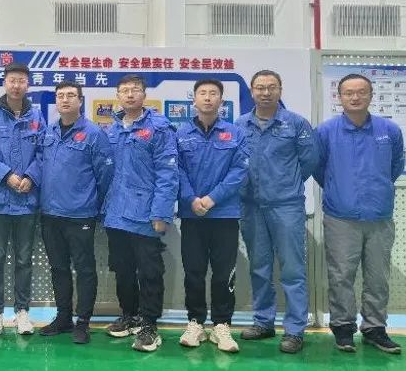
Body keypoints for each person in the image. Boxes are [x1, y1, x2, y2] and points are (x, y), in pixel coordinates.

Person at [314, 73, 404, 354]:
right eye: (349, 93)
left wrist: (378, 191)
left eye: (361, 92)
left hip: (379, 215)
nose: (355, 97)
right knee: (341, 275)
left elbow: (395, 166)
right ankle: (343, 328)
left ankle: (375, 328)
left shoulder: (389, 130)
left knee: (378, 276)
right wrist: (340, 191)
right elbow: (318, 168)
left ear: (370, 95)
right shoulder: (326, 131)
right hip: (340, 216)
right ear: (339, 97)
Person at [236, 69, 319, 354]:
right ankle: (263, 321)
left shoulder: (295, 123)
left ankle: (295, 330)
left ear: (280, 90)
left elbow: (310, 161)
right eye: (260, 87)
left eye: (272, 87)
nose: (266, 92)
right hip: (251, 206)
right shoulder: (240, 125)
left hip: (286, 206)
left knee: (293, 269)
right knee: (259, 267)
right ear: (252, 91)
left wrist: (286, 184)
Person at [101, 74, 178, 352]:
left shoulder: (159, 127)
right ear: (118, 96)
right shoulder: (112, 129)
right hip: (116, 212)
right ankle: (130, 315)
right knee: (122, 268)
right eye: (124, 90)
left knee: (149, 271)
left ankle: (149, 325)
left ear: (144, 95)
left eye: (135, 90)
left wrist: (161, 213)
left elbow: (168, 174)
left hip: (145, 214)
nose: (130, 94)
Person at [175, 79, 249, 353]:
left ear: (221, 101)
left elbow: (239, 171)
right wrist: (191, 199)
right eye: (202, 93)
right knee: (193, 272)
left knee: (223, 274)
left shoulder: (235, 133)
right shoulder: (180, 134)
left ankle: (221, 325)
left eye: (213, 93)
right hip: (191, 215)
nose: (207, 98)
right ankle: (195, 322)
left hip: (224, 215)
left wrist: (212, 198)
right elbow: (175, 170)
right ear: (193, 100)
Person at [38, 81, 113, 344]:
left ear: (80, 101)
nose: (65, 100)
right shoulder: (49, 131)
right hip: (50, 213)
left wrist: (94, 205)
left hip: (80, 214)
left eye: (71, 95)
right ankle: (63, 318)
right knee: (58, 268)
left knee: (84, 269)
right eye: (61, 96)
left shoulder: (94, 133)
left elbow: (105, 175)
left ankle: (83, 322)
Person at [0, 63, 45, 336]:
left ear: (28, 85)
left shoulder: (37, 116)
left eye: (21, 81)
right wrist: (5, 176)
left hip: (26, 201)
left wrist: (31, 176)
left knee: (24, 259)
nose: (16, 85)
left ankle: (22, 312)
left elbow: (44, 152)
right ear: (4, 83)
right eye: (12, 80)